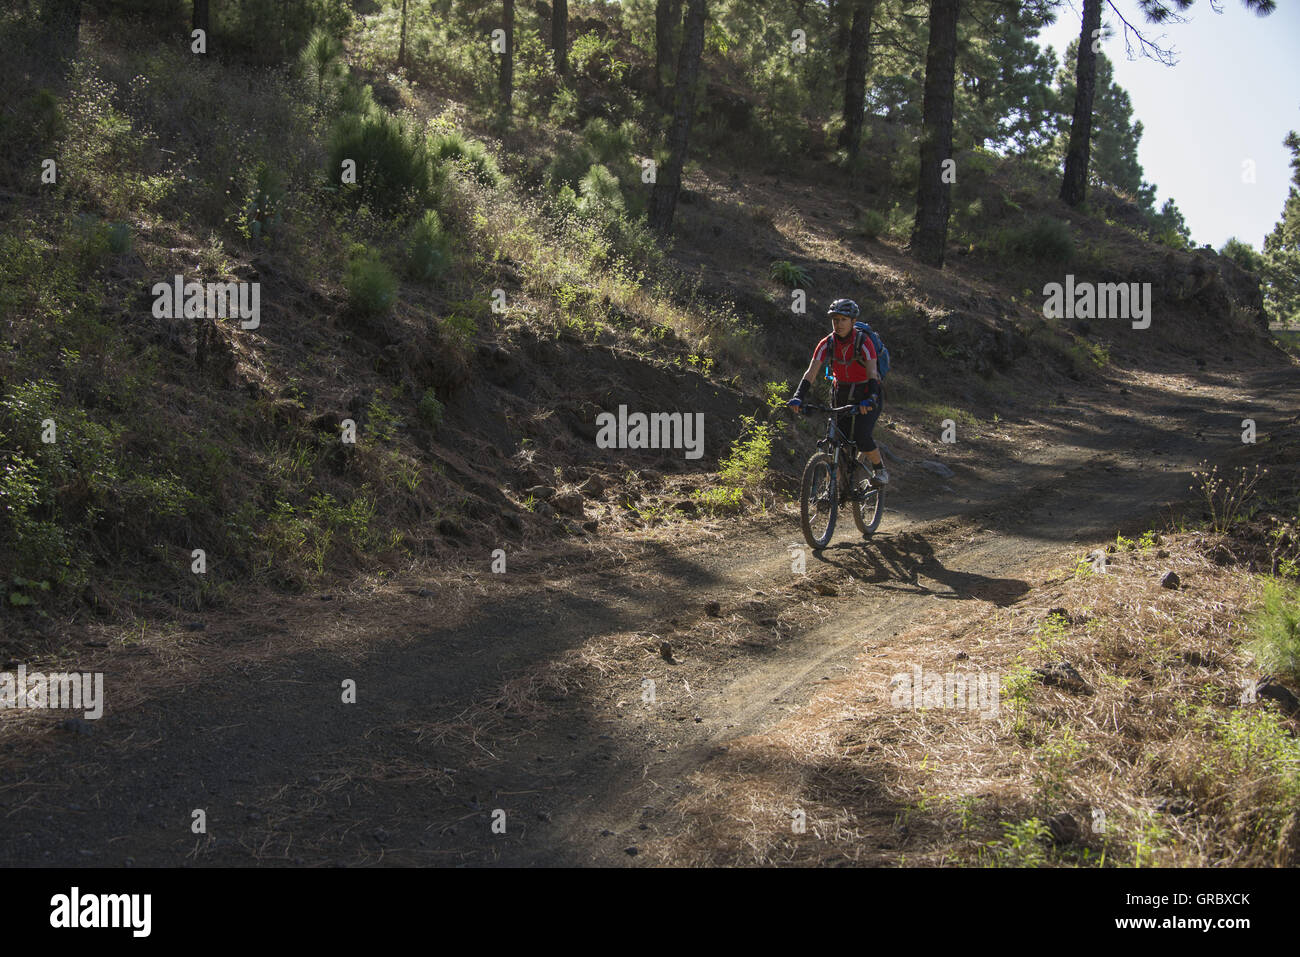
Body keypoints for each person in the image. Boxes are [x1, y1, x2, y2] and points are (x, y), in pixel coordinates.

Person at [787, 298, 889, 495]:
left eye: (843, 319)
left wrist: (871, 399)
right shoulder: (827, 343)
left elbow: (873, 374)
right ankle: (832, 488)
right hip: (840, 392)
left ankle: (880, 470)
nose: (839, 324)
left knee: (861, 435)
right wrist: (798, 396)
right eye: (835, 320)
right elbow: (811, 373)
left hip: (867, 392)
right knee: (836, 442)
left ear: (853, 321)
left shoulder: (864, 342)